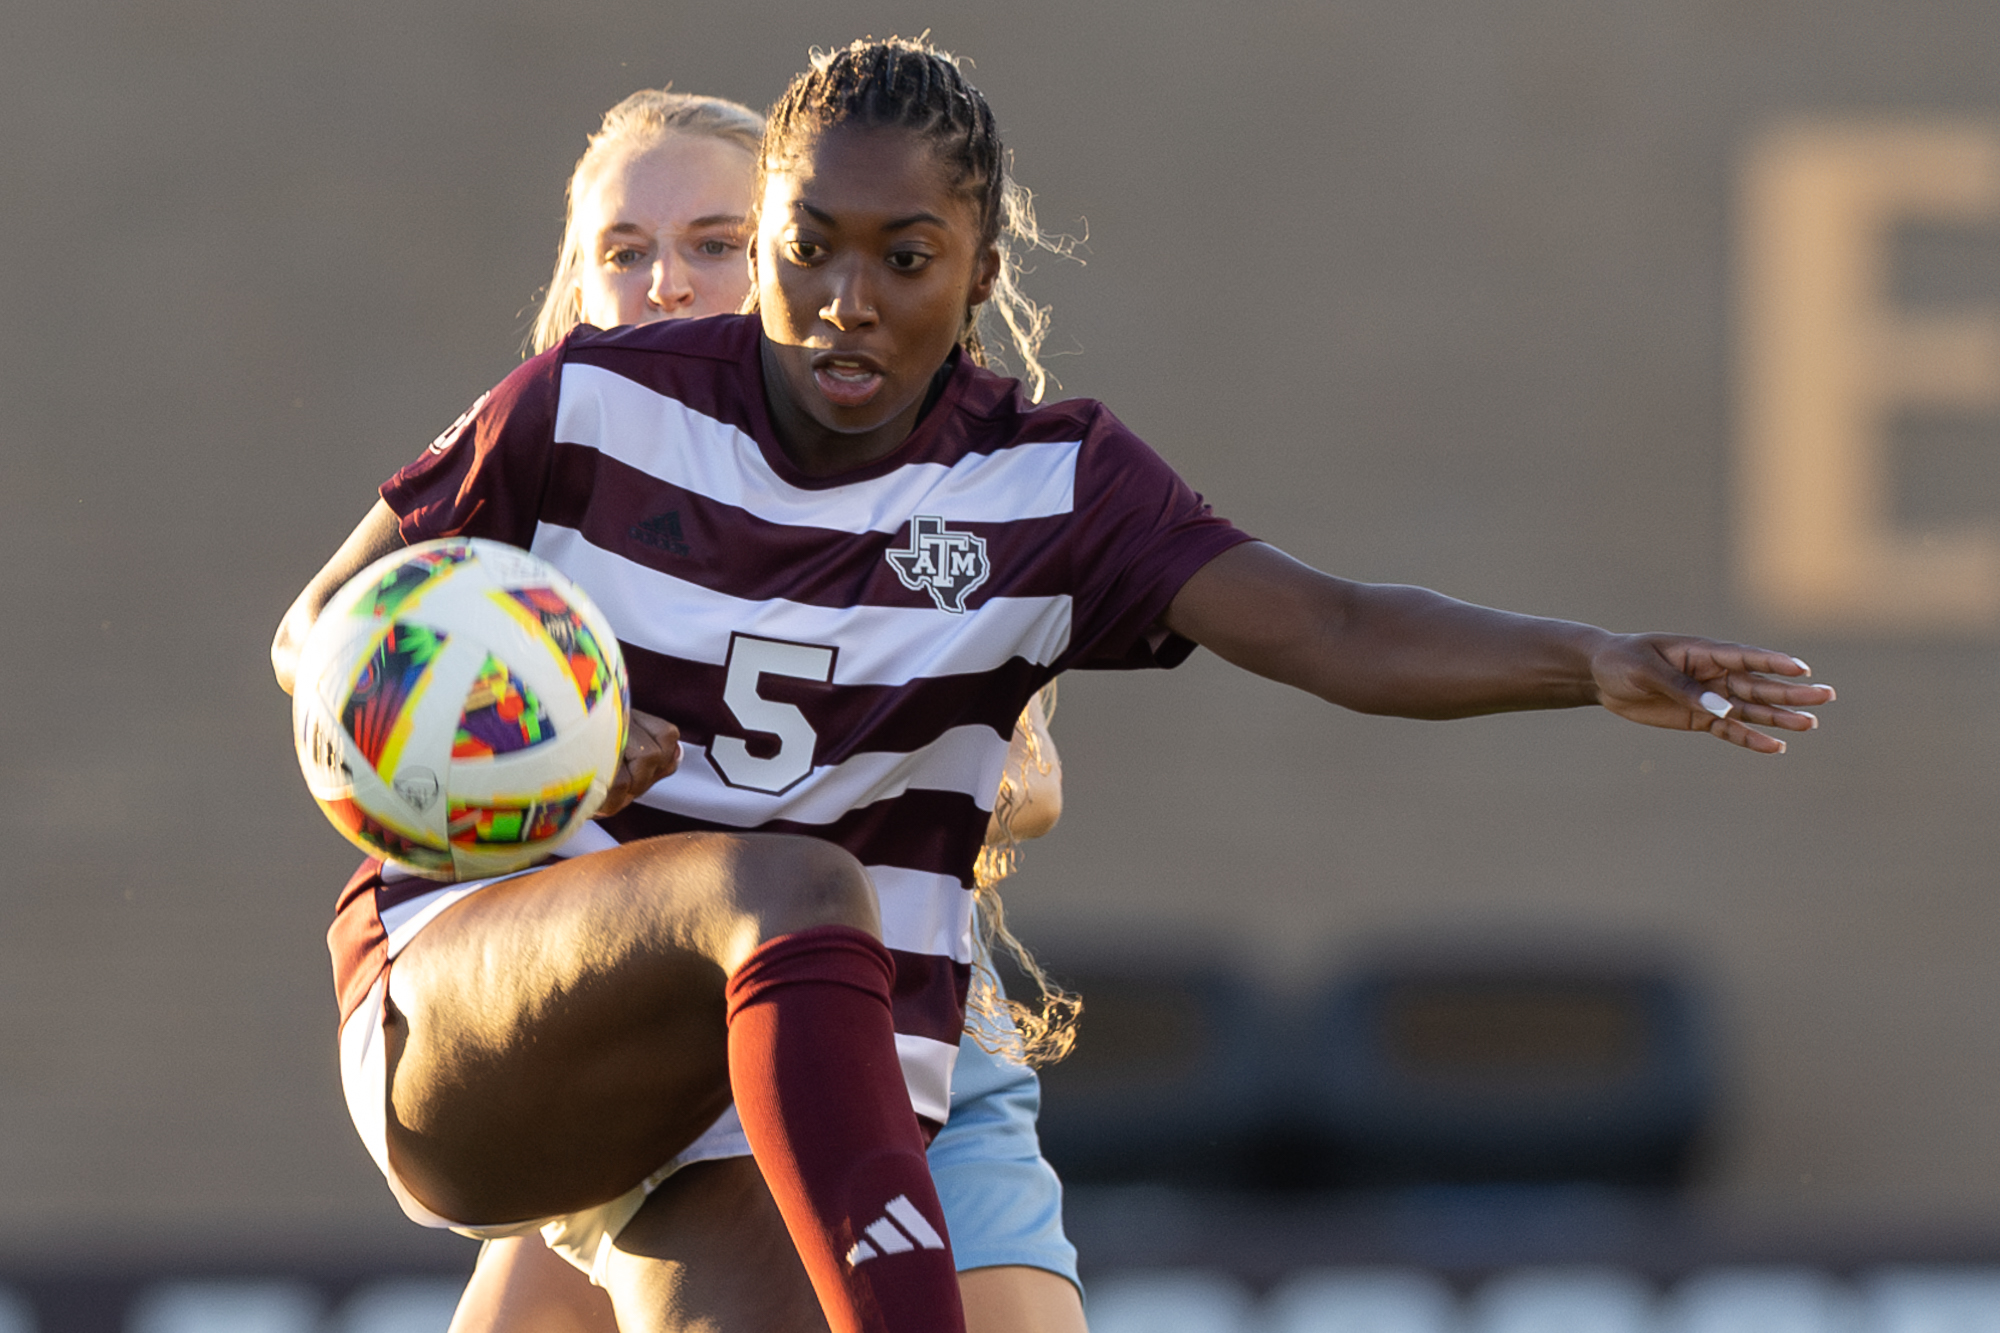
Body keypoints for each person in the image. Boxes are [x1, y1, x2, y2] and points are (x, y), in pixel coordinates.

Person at [272, 36, 1833, 1333]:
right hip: (478, 1019)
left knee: (809, 949)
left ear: (981, 269)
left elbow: (1335, 625)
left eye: (904, 258)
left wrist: (1593, 660)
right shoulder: (593, 403)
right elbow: (330, 637)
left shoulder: (1050, 486)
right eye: (804, 248)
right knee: (792, 887)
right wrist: (549, 751)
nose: (843, 300)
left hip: (767, 1104)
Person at [439, 87, 1082, 1333]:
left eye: (713, 244)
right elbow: (365, 691)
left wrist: (946, 768)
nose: (664, 283)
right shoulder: (543, 488)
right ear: (577, 291)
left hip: (897, 1036)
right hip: (624, 1049)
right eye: (622, 253)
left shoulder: (929, 483)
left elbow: (1032, 778)